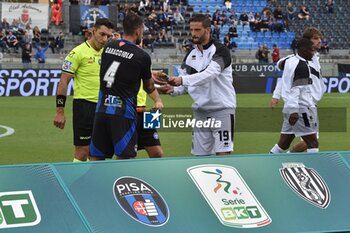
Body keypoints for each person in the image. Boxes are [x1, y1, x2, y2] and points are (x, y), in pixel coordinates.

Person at [89, 13, 163, 160]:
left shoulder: (108, 47)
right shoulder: (141, 56)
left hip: (102, 110)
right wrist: (158, 99)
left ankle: (95, 183)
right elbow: (148, 87)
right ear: (138, 31)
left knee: (96, 158)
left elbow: (120, 68)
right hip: (124, 113)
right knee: (125, 158)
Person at [162, 15, 236, 156]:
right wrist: (171, 89)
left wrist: (182, 80)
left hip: (222, 110)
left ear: (208, 30)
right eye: (192, 30)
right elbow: (182, 86)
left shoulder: (221, 50)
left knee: (223, 155)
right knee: (199, 157)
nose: (194, 34)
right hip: (200, 112)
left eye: (198, 30)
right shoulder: (190, 56)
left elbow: (210, 74)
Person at [53, 18, 114, 162]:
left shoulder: (108, 53)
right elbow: (64, 81)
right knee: (82, 151)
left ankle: (92, 182)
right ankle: (72, 183)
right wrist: (59, 111)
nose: (105, 39)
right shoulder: (77, 53)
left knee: (100, 152)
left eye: (108, 36)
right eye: (102, 34)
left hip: (105, 107)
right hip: (85, 106)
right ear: (93, 31)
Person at [270, 27, 325, 153]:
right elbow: (286, 78)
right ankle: (310, 166)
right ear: (307, 42)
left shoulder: (313, 57)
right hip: (302, 104)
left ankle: (270, 159)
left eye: (320, 38)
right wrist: (276, 95)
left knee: (283, 143)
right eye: (316, 38)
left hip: (301, 104)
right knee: (312, 142)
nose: (319, 41)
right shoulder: (299, 61)